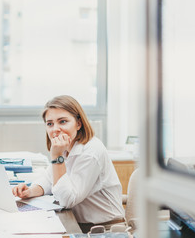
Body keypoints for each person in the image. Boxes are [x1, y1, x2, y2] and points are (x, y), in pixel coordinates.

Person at [12, 95, 125, 233]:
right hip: (79, 224)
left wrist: (56, 157)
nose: (55, 129)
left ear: (78, 123)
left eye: (63, 121)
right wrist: (30, 191)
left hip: (105, 229)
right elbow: (49, 179)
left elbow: (67, 200)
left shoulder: (90, 152)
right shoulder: (67, 147)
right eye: (50, 123)